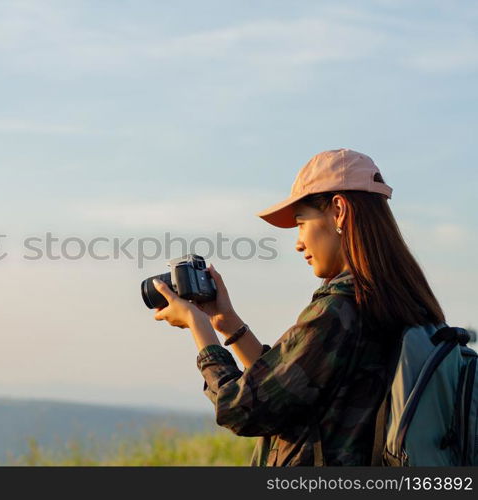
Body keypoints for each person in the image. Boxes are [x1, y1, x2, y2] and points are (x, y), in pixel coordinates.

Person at [151, 148, 445, 466]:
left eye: (301, 222)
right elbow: (290, 386)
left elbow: (241, 409)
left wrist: (200, 329)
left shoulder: (340, 310)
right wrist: (228, 324)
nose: (298, 242)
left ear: (338, 211)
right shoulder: (404, 301)